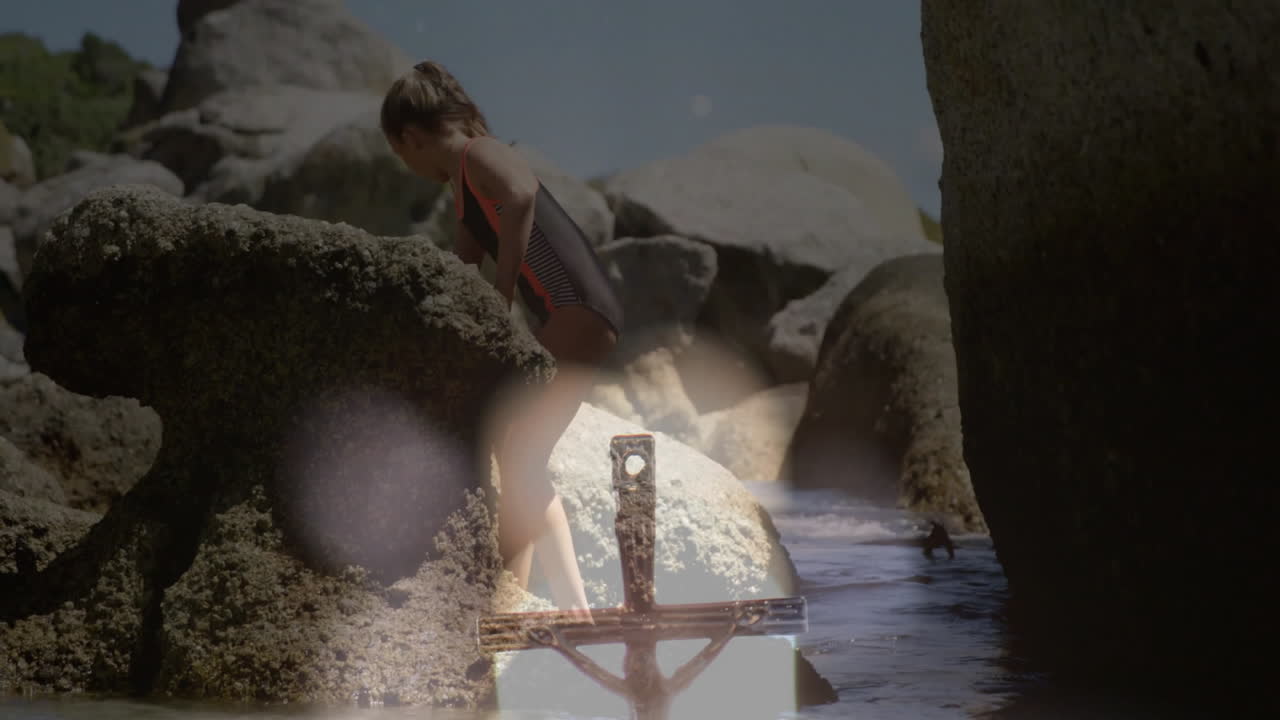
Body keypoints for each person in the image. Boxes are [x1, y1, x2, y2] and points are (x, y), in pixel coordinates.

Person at [380, 61, 624, 616]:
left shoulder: (478, 154)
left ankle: (511, 602)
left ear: (412, 138)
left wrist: (505, 290)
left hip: (574, 309)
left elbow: (518, 195)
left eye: (401, 155)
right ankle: (566, 606)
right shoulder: (465, 189)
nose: (408, 166)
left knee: (519, 456)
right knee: (523, 457)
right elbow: (461, 267)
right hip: (584, 314)